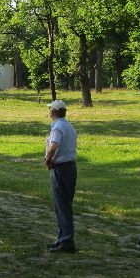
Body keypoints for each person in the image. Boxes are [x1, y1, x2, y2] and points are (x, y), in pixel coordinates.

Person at [44, 99, 78, 254]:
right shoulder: (69, 126)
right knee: (65, 204)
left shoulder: (57, 127)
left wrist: (48, 159)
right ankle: (62, 237)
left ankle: (66, 241)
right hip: (70, 167)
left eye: (49, 109)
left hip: (61, 168)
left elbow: (53, 146)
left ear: (53, 112)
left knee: (62, 205)